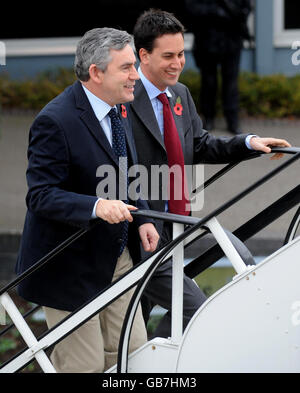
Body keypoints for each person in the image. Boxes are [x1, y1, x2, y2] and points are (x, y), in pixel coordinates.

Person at [130, 8, 291, 338]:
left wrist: (250, 143)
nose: (178, 63)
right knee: (188, 310)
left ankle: (154, 354)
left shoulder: (180, 94)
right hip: (143, 230)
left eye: (181, 54)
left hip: (180, 221)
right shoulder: (123, 99)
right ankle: (154, 360)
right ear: (143, 55)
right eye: (168, 56)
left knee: (244, 261)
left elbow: (200, 144)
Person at [15, 27, 159, 373]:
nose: (135, 75)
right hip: (69, 266)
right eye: (126, 67)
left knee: (136, 355)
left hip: (117, 256)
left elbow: (127, 171)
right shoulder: (55, 120)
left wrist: (143, 219)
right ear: (96, 73)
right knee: (86, 366)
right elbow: (40, 195)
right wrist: (96, 206)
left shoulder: (119, 107)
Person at [185, 0, 253, 133]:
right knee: (208, 82)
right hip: (207, 39)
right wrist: (214, 12)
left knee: (231, 82)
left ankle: (232, 120)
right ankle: (208, 117)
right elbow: (191, 8)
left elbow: (246, 8)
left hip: (232, 39)